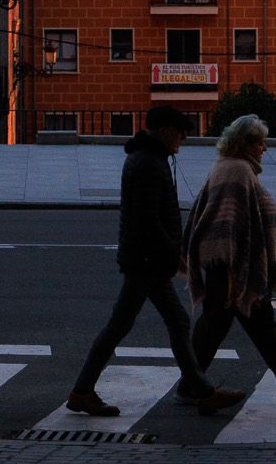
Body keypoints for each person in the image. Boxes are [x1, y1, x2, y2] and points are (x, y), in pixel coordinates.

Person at [66, 106, 247, 419]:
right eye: (179, 132)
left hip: (146, 259)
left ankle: (199, 390)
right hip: (146, 261)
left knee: (173, 321)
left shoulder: (149, 159)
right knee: (121, 326)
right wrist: (174, 251)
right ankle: (82, 391)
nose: (183, 138)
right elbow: (148, 218)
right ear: (163, 131)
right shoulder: (149, 164)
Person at [185, 113, 276, 402]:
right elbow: (230, 225)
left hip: (233, 266)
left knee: (257, 325)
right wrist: (234, 272)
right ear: (246, 143)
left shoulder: (230, 166)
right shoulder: (237, 171)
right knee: (216, 326)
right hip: (232, 267)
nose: (265, 148)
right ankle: (189, 386)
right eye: (261, 142)